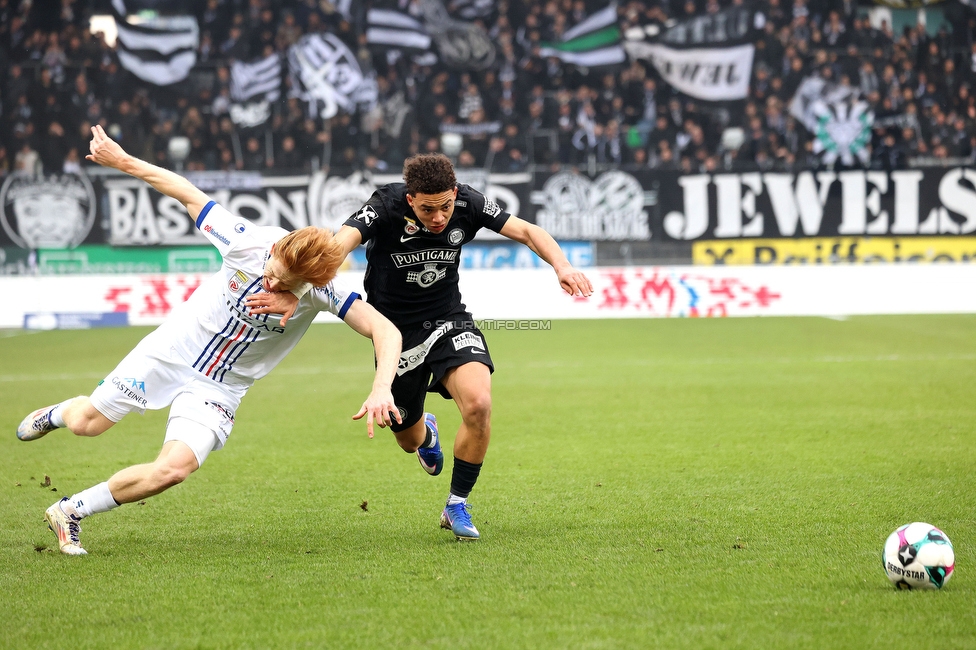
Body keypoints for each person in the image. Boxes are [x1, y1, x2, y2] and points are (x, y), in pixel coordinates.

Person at [16, 125, 403, 556]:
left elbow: (385, 330)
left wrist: (381, 386)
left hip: (220, 388)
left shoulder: (319, 289)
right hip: (171, 352)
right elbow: (186, 192)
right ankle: (58, 412)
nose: (270, 279)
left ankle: (70, 511)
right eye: (272, 269)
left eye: (284, 282)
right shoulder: (248, 242)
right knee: (88, 424)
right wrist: (122, 160)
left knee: (174, 470)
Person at [250, 154, 593, 541]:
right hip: (392, 333)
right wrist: (296, 288)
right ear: (410, 200)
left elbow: (529, 232)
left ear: (455, 194)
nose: (440, 218)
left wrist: (561, 265)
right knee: (407, 440)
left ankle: (457, 503)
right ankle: (426, 433)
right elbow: (336, 247)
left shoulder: (469, 203)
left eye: (446, 206)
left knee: (479, 404)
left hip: (449, 319)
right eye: (428, 209)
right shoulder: (383, 206)